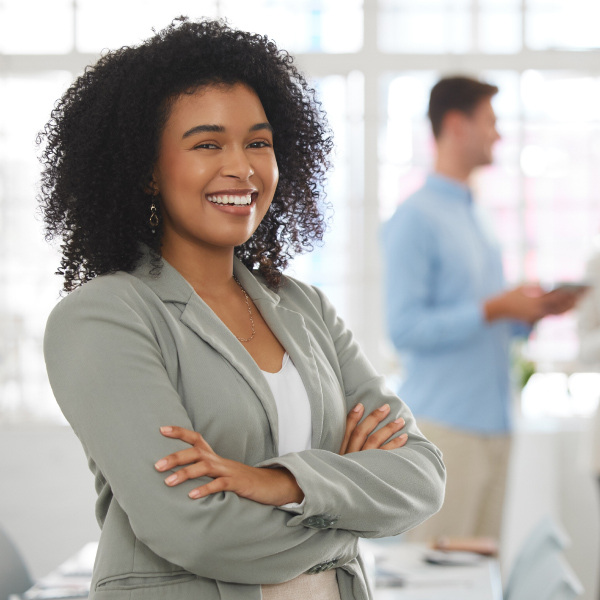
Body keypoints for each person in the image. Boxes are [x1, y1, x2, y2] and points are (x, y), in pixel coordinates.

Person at [39, 18, 445, 600]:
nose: (242, 167)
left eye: (258, 142)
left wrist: (276, 483)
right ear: (148, 171)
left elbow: (423, 478)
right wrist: (348, 510)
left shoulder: (304, 308)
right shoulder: (105, 317)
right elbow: (196, 530)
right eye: (207, 144)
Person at [380, 75, 578, 543]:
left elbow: (483, 321)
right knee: (439, 581)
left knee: (479, 580)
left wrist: (526, 313)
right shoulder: (414, 219)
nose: (499, 134)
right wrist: (492, 309)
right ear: (456, 125)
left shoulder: (477, 216)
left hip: (493, 426)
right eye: (490, 121)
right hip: (445, 432)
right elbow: (403, 328)